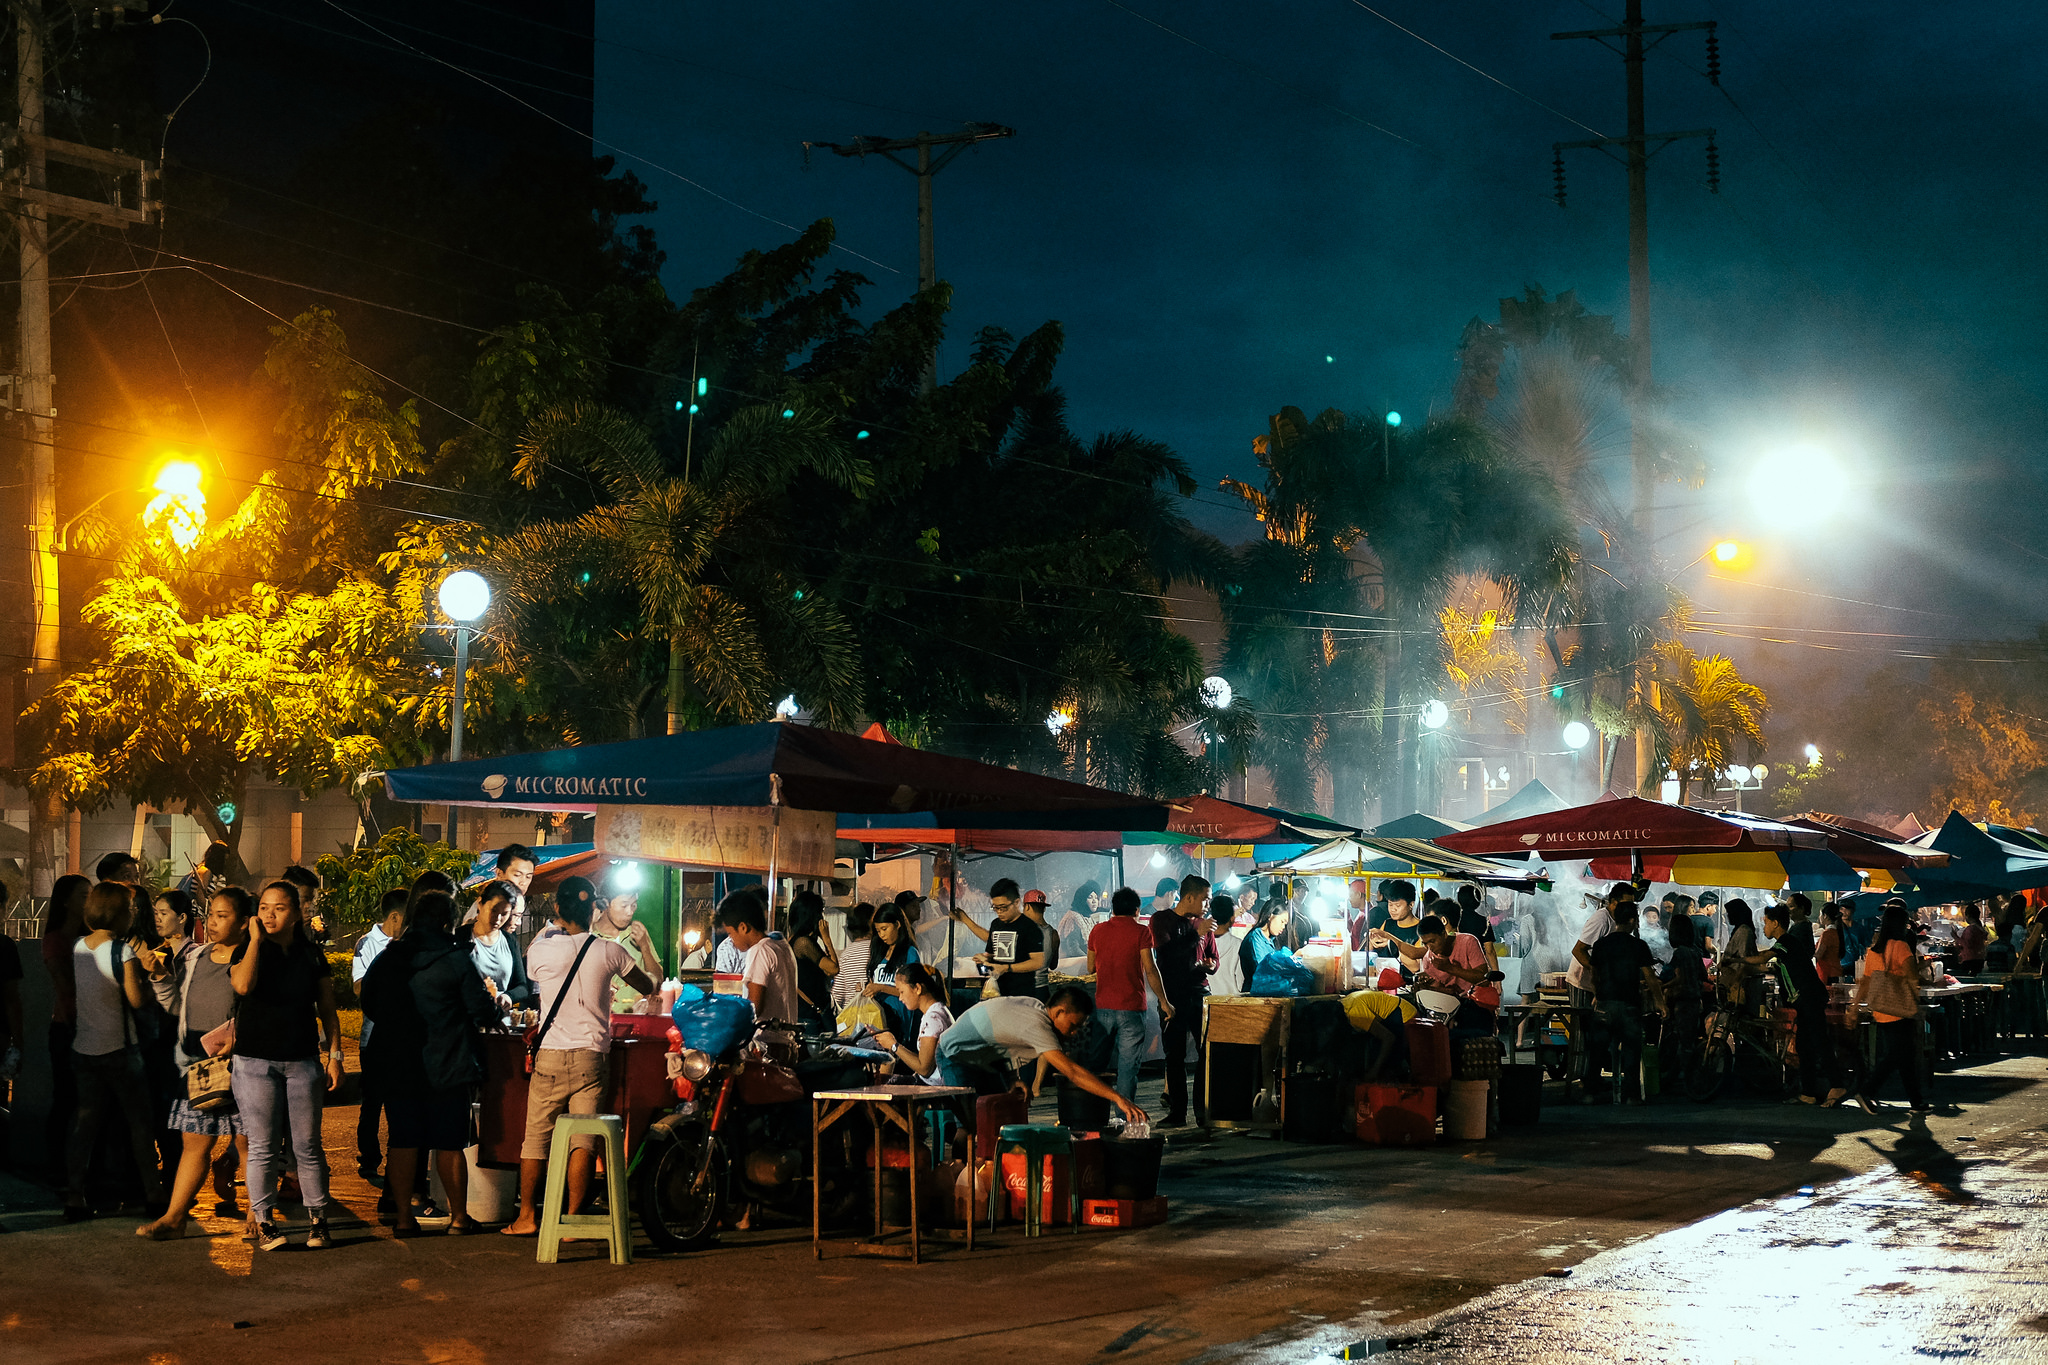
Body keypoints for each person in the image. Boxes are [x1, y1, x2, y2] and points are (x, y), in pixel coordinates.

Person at [502, 875, 653, 1238]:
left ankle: (526, 1216)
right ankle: (571, 1220)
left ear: (557, 909)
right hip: (591, 1059)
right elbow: (648, 985)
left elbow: (534, 975)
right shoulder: (610, 951)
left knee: (536, 1139)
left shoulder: (541, 949)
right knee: (582, 1140)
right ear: (594, 910)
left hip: (551, 1056)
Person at [360, 889, 498, 1236]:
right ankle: (459, 1219)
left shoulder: (390, 958)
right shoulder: (455, 959)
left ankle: (405, 1220)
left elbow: (369, 1003)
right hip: (447, 1063)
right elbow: (480, 1008)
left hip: (400, 1062)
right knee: (450, 1142)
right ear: (449, 922)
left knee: (403, 1140)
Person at [231, 880, 343, 1251]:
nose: (268, 914)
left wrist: (335, 1056)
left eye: (278, 907)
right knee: (262, 1146)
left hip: (302, 1061)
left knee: (307, 1145)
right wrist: (255, 943)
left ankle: (318, 1221)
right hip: (254, 1062)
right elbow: (243, 987)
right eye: (263, 907)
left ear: (296, 913)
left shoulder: (311, 955)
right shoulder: (248, 950)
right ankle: (264, 1222)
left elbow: (327, 1009)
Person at [137, 887, 255, 1239]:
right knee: (194, 1142)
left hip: (240, 1066)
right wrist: (159, 978)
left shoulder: (250, 959)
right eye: (211, 914)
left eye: (223, 916)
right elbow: (177, 1006)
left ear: (244, 922)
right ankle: (175, 1217)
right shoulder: (196, 958)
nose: (214, 922)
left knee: (249, 1144)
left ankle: (257, 1214)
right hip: (198, 1068)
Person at [63, 882, 165, 1221]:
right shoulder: (123, 951)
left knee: (85, 1124)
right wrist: (152, 978)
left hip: (84, 1047)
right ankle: (153, 1193)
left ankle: (75, 1196)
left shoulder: (79, 946)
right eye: (130, 909)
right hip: (121, 1050)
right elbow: (137, 1000)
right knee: (139, 1124)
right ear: (119, 913)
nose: (133, 914)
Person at [934, 986, 1147, 1124]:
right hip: (955, 1054)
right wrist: (1118, 1098)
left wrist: (1013, 1079)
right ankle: (964, 1179)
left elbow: (1003, 1038)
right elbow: (1072, 1072)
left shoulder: (1036, 1008)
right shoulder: (1038, 1023)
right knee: (970, 1126)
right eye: (1073, 1026)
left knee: (1002, 1119)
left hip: (983, 1059)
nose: (1073, 1033)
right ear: (1059, 1012)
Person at [1748, 903, 1848, 1106]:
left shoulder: (1786, 941)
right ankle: (1808, 1093)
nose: (1764, 927)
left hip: (1810, 998)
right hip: (1803, 1002)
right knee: (1805, 1047)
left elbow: (1763, 957)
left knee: (1820, 1042)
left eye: (1766, 922)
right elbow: (1766, 963)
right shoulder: (1785, 945)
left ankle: (1837, 1086)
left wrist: (1737, 960)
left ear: (1776, 924)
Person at [1087, 885, 1171, 1103]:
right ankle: (1123, 1119)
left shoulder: (1097, 930)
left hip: (1104, 1005)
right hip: (1132, 1007)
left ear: (1113, 909)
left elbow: (1090, 968)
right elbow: (1150, 968)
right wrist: (1164, 1001)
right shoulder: (1142, 932)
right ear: (1136, 910)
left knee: (1097, 1064)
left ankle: (1091, 1112)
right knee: (1127, 1067)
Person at [353, 888, 410, 1182]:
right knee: (372, 1102)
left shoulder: (409, 943)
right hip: (372, 1038)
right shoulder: (368, 943)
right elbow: (359, 987)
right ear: (395, 916)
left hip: (402, 1039)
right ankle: (369, 1159)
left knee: (400, 1103)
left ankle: (396, 1163)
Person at [40, 873, 92, 1186]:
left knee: (87, 1105)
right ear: (66, 901)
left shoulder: (92, 937)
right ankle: (58, 1169)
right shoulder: (56, 939)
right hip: (67, 1027)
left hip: (90, 1026)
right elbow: (64, 987)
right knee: (66, 1101)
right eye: (83, 895)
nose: (89, 901)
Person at [1586, 900, 1666, 1104]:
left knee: (1597, 1050)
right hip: (1629, 1005)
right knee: (1631, 1050)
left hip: (1604, 1003)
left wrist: (1597, 994)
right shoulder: (1638, 945)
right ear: (1632, 920)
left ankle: (1590, 1093)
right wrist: (1659, 1002)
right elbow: (1649, 976)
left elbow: (1595, 974)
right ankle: (1631, 1096)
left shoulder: (1600, 944)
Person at [1856, 900, 1930, 1115]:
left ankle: (1916, 1102)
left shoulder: (1873, 951)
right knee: (1898, 1055)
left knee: (1904, 1055)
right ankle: (1867, 1090)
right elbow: (1911, 976)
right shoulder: (1901, 946)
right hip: (1900, 1008)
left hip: (1881, 1008)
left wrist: (1854, 1007)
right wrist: (1917, 1003)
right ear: (1902, 924)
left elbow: (1866, 981)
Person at [1152, 874, 1213, 1128]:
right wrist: (1194, 934)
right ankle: (1177, 1112)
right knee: (1174, 1056)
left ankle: (1203, 1112)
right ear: (1189, 897)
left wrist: (1210, 965)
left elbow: (1214, 957)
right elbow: (1165, 956)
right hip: (1173, 996)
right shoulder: (1161, 920)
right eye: (1204, 900)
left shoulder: (1204, 924)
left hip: (1200, 993)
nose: (1207, 906)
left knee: (1206, 1053)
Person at [1384, 914, 1501, 1033]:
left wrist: (1450, 968)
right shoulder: (1428, 959)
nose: (1430, 947)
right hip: (1448, 1010)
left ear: (1444, 934)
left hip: (1475, 1006)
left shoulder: (1468, 942)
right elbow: (1444, 990)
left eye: (1433, 941)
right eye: (1425, 944)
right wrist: (1425, 988)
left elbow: (1483, 979)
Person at [1567, 884, 1632, 1092]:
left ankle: (1591, 1078)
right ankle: (1578, 1079)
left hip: (1600, 984)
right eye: (1625, 903)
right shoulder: (1601, 919)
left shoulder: (1621, 922)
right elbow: (1578, 950)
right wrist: (1599, 971)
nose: (1628, 907)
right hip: (1582, 982)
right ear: (1612, 903)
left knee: (1598, 1032)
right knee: (1582, 1031)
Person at [716, 890, 800, 1027]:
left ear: (743, 927)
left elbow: (754, 1008)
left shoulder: (759, 951)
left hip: (767, 1042)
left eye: (731, 933)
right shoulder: (782, 945)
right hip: (786, 1038)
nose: (731, 940)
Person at [955, 878, 1045, 999]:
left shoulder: (1029, 927)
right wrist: (984, 958)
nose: (999, 912)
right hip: (997, 991)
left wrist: (1007, 968)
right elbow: (995, 954)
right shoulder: (996, 924)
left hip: (1022, 993)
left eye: (1003, 907)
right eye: (996, 907)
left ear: (1017, 903)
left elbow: (1037, 961)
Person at [872, 962, 953, 1082]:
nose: (900, 998)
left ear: (918, 988)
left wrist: (894, 1046)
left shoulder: (933, 1019)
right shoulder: (937, 1011)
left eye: (902, 992)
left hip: (935, 1088)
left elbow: (925, 1069)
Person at [1658, 913, 1710, 1089]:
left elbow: (1677, 977)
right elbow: (1703, 975)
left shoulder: (1679, 953)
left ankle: (1689, 1080)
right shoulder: (1695, 952)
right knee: (1688, 1039)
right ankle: (1681, 1077)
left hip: (1681, 1002)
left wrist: (1663, 986)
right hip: (1695, 1001)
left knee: (1682, 1041)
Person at [593, 881, 662, 1011]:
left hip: (637, 1020)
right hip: (601, 1021)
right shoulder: (590, 937)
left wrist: (645, 946)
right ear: (605, 904)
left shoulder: (638, 934)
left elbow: (658, 981)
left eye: (633, 905)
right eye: (624, 905)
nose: (630, 912)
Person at [463, 880, 533, 1007]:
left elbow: (522, 986)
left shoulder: (510, 941)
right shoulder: (460, 937)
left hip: (501, 1020)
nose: (498, 918)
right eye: (494, 910)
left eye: (505, 913)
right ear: (480, 904)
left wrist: (508, 996)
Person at [786, 891, 839, 1032]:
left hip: (803, 1014)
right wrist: (827, 939)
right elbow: (833, 969)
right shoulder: (803, 943)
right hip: (809, 1017)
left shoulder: (793, 941)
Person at [830, 902, 876, 1013]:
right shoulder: (879, 950)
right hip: (876, 1015)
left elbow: (837, 996)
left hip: (852, 1017)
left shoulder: (846, 955)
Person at [1716, 899, 1762, 1008]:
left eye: (1729, 913)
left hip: (1739, 984)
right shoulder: (1739, 930)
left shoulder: (1744, 931)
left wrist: (1736, 981)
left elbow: (1744, 959)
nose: (1727, 916)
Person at [493, 843, 539, 934]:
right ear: (499, 874)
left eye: (528, 877)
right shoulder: (486, 904)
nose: (523, 882)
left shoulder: (522, 906)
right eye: (517, 875)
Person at [1022, 888, 1060, 993]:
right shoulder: (1053, 934)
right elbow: (1053, 965)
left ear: (1027, 906)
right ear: (1044, 909)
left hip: (1022, 989)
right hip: (1043, 990)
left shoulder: (1021, 931)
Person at [1816, 902, 1848, 984]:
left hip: (1828, 976)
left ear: (1825, 916)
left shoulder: (1827, 934)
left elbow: (1818, 954)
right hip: (1836, 974)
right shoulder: (1836, 932)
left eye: (1820, 914)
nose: (1819, 917)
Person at [1956, 903, 1989, 977]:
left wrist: (1956, 938)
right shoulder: (1980, 928)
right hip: (1979, 959)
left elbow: (1968, 944)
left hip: (1970, 960)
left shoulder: (1970, 929)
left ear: (1968, 916)